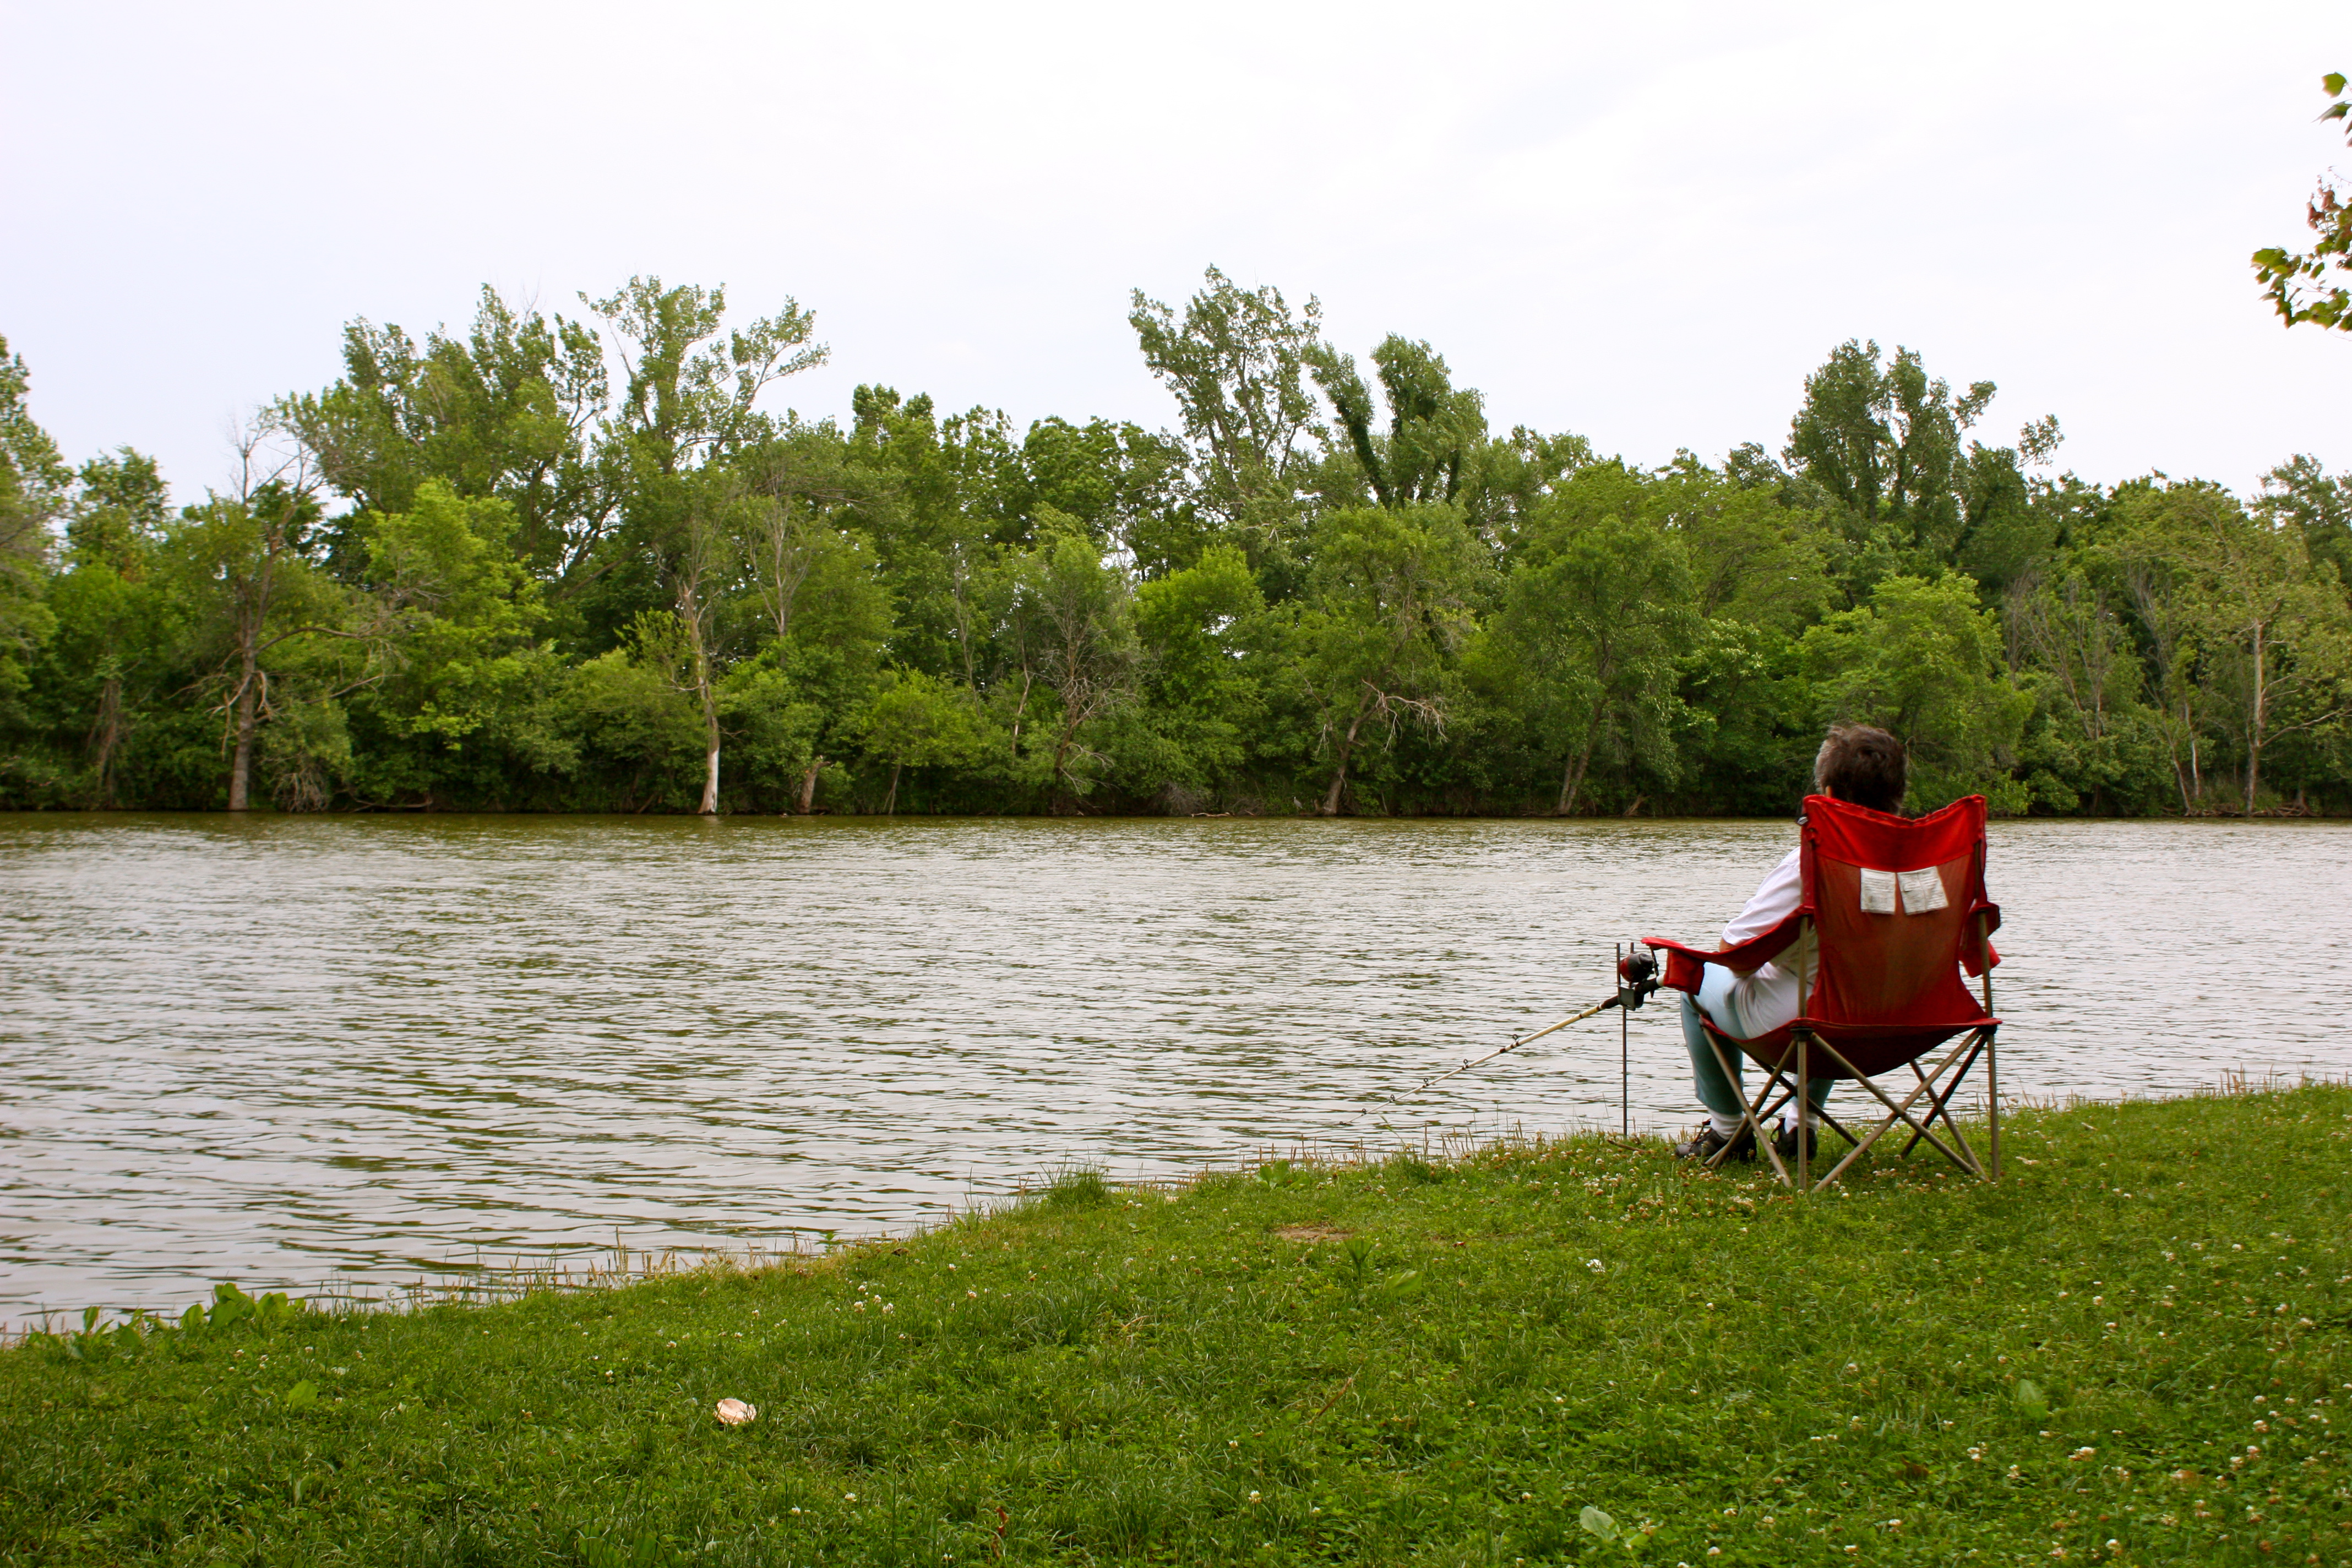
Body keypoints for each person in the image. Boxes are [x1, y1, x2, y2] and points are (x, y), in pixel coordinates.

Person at [1672, 723, 1909, 1163]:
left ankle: (1728, 1131)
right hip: (1907, 1020)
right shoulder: (1927, 856)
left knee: (1695, 981)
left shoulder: (1812, 859)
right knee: (1823, 980)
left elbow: (1735, 953)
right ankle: (1802, 1124)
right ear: (1897, 794)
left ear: (1830, 794)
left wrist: (1776, 960)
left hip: (1824, 1024)